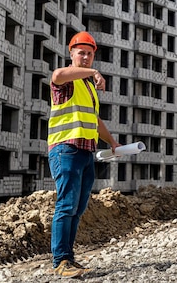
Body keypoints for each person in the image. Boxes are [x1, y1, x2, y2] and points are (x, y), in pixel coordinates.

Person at [47, 31, 121, 278]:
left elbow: (95, 120)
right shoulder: (68, 79)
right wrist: (92, 72)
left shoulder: (87, 86)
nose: (86, 57)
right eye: (82, 53)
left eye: (90, 54)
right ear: (72, 54)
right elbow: (57, 75)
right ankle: (60, 261)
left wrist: (112, 142)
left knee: (77, 208)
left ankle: (68, 258)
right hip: (65, 148)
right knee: (66, 204)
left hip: (86, 152)